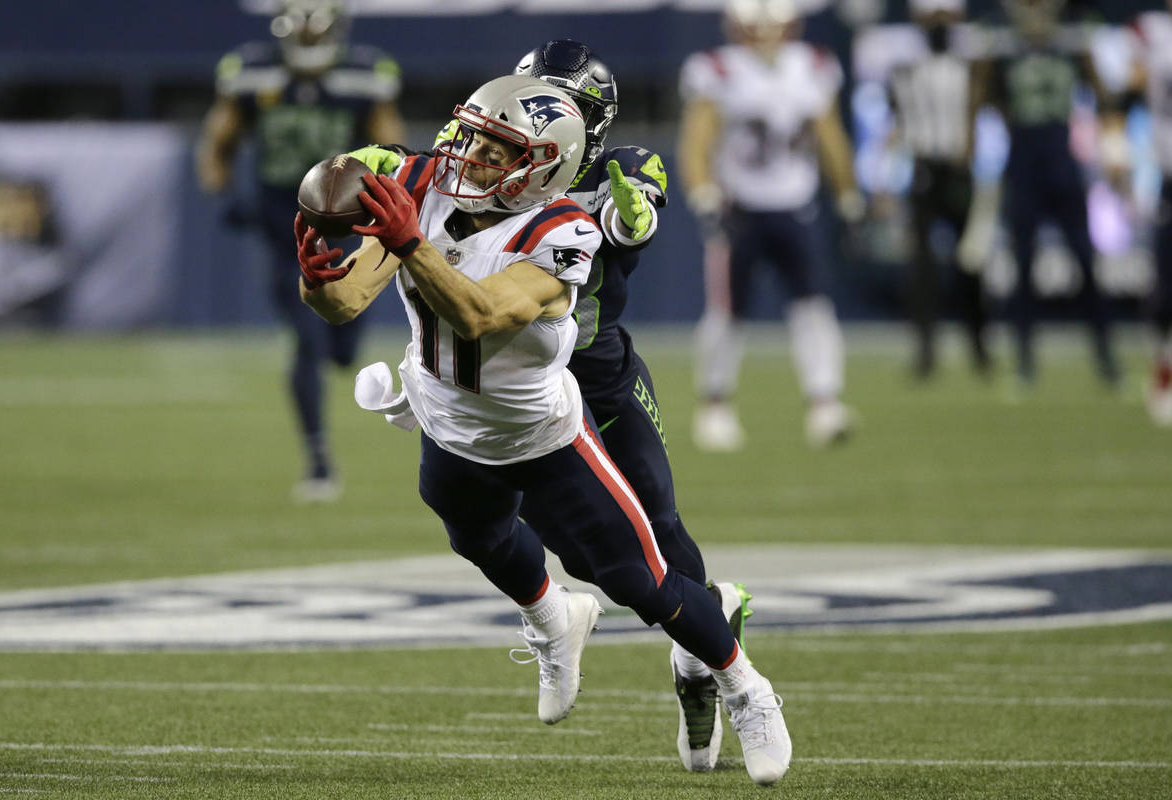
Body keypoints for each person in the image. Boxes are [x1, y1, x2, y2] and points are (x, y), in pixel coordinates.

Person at [295, 73, 792, 785]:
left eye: (496, 150)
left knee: (641, 578)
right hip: (448, 423)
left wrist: (410, 241)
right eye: (470, 135)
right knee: (478, 538)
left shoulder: (562, 229)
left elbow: (480, 314)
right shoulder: (427, 182)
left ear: (542, 166)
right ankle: (555, 620)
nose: (468, 156)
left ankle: (748, 688)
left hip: (542, 435)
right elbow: (344, 303)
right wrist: (314, 276)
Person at [196, 0, 405, 502]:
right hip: (283, 224)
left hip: (345, 225)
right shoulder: (250, 70)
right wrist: (223, 194)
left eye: (318, 31)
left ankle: (335, 361)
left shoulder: (364, 74)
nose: (309, 40)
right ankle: (318, 459)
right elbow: (218, 141)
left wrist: (386, 200)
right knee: (306, 339)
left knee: (341, 347)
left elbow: (392, 152)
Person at [678, 0, 864, 451]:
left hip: (795, 204)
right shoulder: (717, 69)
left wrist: (847, 193)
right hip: (739, 207)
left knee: (813, 306)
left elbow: (829, 134)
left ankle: (824, 403)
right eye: (753, 29)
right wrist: (702, 193)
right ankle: (715, 405)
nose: (764, 37)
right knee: (727, 311)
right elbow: (697, 139)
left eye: (773, 28)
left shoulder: (813, 66)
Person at [971, 0, 1119, 390]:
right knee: (1023, 266)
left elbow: (1101, 93)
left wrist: (1115, 148)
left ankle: (1106, 357)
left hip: (1061, 161)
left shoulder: (1071, 39)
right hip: (1023, 163)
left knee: (1085, 260)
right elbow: (983, 96)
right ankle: (1024, 361)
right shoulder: (1001, 42)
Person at [888, 0, 992, 379]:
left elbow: (982, 117)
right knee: (921, 269)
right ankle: (925, 352)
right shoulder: (905, 70)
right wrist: (885, 179)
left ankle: (980, 349)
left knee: (971, 263)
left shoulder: (972, 67)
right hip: (923, 170)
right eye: (932, 17)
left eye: (944, 17)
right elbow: (896, 124)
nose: (938, 25)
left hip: (960, 171)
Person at [1118, 6, 1172, 426]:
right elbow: (1130, 83)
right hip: (1170, 177)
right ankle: (1164, 375)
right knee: (1164, 292)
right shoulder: (1151, 31)